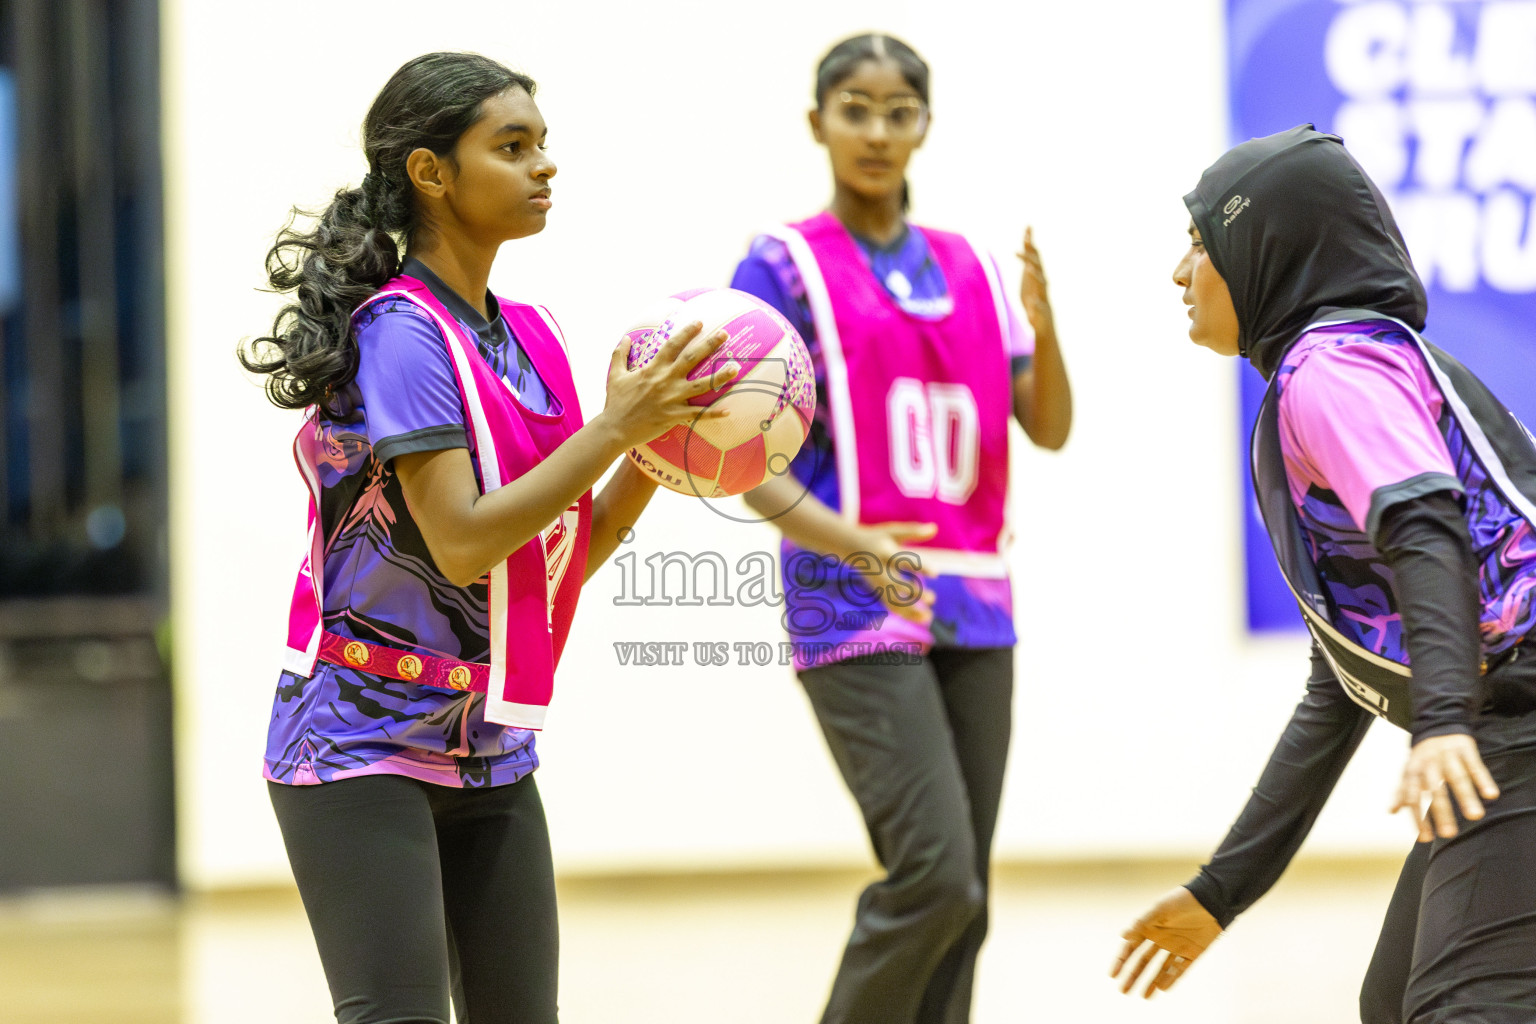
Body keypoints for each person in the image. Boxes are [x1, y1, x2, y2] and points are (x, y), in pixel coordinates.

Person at [239, 52, 736, 1024]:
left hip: (489, 747)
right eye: (511, 147)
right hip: (358, 742)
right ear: (431, 171)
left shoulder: (534, 339)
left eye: (542, 144)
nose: (543, 165)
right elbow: (463, 541)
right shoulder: (401, 332)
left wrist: (653, 461)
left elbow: (543, 575)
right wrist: (614, 431)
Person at [1112, 124, 1536, 1023]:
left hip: (1517, 724)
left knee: (1462, 1007)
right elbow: (1339, 684)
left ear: (1264, 248)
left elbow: (1430, 529)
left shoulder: (1331, 370)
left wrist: (1448, 721)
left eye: (1198, 241)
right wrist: (1222, 891)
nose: (1178, 271)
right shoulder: (1346, 364)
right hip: (1504, 724)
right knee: (1394, 1003)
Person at [731, 33, 1072, 1024]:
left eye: (898, 111)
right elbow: (744, 459)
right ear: (817, 122)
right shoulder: (781, 266)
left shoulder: (968, 266)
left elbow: (1045, 427)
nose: (877, 130)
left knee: (969, 906)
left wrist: (1048, 329)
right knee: (936, 873)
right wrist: (856, 545)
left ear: (924, 124)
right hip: (854, 593)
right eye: (854, 107)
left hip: (976, 596)